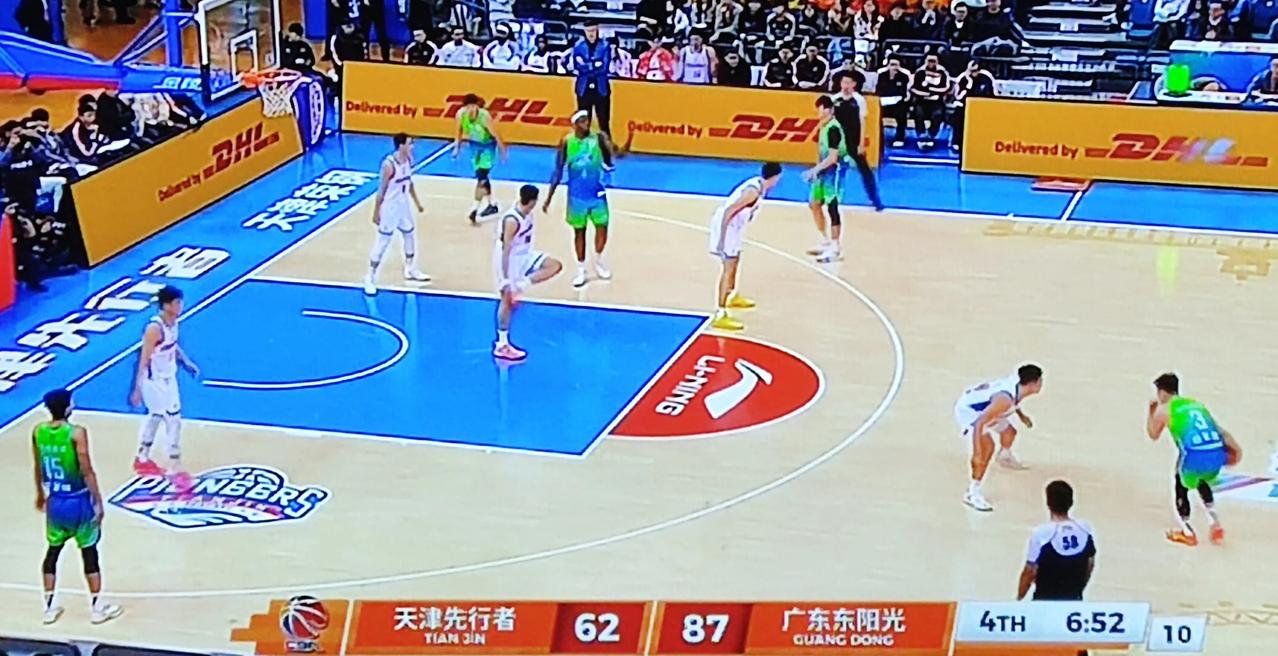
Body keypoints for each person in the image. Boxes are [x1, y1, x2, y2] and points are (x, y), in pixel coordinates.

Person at [32, 389, 123, 625]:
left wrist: (40, 495)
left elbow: (38, 466)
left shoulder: (39, 431)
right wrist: (98, 501)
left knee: (53, 551)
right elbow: (86, 469)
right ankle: (97, 608)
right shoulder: (76, 433)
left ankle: (49, 608)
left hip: (56, 501)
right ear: (67, 407)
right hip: (78, 499)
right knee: (89, 552)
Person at [1146, 373, 1241, 547]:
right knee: (1201, 480)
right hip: (1217, 451)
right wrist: (1235, 448)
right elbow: (1219, 429)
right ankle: (1215, 522)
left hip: (1195, 454)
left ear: (1162, 392)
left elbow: (1153, 434)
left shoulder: (1164, 409)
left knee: (1180, 484)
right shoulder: (1196, 405)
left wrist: (1151, 412)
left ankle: (1187, 532)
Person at [129, 286, 199, 489]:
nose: (181, 306)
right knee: (169, 418)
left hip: (169, 377)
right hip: (154, 380)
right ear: (166, 305)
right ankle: (174, 466)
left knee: (161, 416)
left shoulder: (174, 322)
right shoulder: (154, 328)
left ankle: (142, 457)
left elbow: (172, 345)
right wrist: (137, 389)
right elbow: (143, 359)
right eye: (177, 302)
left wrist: (186, 361)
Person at [953, 364, 1044, 512]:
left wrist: (1022, 416)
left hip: (987, 409)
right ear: (1033, 383)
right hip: (970, 413)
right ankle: (972, 493)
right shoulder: (1003, 400)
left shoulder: (1017, 386)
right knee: (987, 449)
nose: (1042, 383)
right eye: (1040, 380)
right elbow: (980, 423)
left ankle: (1004, 457)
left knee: (1009, 432)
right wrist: (977, 451)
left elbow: (1014, 402)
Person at [545, 110, 620, 288]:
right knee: (579, 232)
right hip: (576, 196)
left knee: (602, 227)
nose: (586, 123)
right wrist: (549, 197)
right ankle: (581, 269)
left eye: (587, 120)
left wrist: (625, 144)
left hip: (597, 193)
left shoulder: (598, 138)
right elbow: (558, 170)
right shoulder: (567, 142)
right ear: (574, 124)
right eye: (582, 121)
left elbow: (614, 154)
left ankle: (599, 261)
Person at [708, 163, 783, 331]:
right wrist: (721, 240)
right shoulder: (752, 192)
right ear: (775, 177)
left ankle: (732, 295)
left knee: (735, 260)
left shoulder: (761, 186)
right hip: (727, 227)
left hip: (735, 228)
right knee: (728, 268)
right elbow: (729, 211)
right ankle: (720, 313)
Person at [493, 185, 564, 361]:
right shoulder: (512, 220)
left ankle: (521, 285)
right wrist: (505, 279)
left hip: (525, 255)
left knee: (554, 265)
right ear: (533, 201)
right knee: (506, 300)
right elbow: (506, 250)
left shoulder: (527, 213)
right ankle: (502, 344)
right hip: (510, 260)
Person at [364, 133, 431, 295]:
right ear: (401, 146)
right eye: (410, 143)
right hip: (390, 207)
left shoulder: (408, 160)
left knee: (409, 234)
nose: (412, 146)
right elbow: (381, 190)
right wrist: (376, 212)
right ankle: (370, 277)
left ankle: (410, 269)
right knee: (383, 241)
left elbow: (409, 182)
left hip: (403, 205)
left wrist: (417, 203)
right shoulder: (389, 165)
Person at [1017, 480, 1096, 601]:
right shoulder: (1085, 529)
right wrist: (1079, 589)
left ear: (1048, 503)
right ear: (1071, 502)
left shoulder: (1042, 534)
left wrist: (1019, 598)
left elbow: (1030, 571)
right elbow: (1090, 564)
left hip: (1044, 599)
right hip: (1073, 597)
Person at [801, 96, 852, 263]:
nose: (820, 112)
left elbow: (832, 157)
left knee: (832, 207)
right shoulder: (824, 127)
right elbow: (822, 152)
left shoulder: (833, 129)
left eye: (822, 109)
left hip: (834, 171)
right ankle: (825, 240)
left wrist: (813, 170)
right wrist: (817, 170)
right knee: (814, 203)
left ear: (830, 110)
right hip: (824, 171)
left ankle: (836, 248)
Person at [831, 71, 884, 212]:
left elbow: (862, 122)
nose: (845, 85)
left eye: (848, 83)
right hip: (837, 140)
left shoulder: (859, 100)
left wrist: (861, 144)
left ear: (854, 84)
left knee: (865, 171)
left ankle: (875, 199)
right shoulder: (834, 99)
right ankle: (829, 197)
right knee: (831, 170)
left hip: (853, 139)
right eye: (843, 82)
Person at [452, 94, 507, 223]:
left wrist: (502, 151)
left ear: (477, 106)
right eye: (468, 107)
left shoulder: (484, 117)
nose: (471, 109)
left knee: (481, 176)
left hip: (488, 146)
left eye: (473, 106)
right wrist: (457, 148)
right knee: (481, 176)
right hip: (474, 146)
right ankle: (492, 204)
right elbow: (459, 132)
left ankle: (474, 209)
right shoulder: (460, 115)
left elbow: (496, 135)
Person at [573, 21, 613, 137]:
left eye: (593, 31)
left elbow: (604, 67)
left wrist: (587, 65)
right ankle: (583, 145)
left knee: (604, 122)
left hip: (601, 88)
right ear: (584, 32)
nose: (591, 34)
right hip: (584, 88)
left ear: (597, 31)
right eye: (588, 31)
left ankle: (606, 146)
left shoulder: (605, 46)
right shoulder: (578, 46)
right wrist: (594, 64)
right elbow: (577, 66)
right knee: (583, 122)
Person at [950, 59, 995, 151]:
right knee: (958, 116)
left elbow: (993, 94)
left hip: (982, 106)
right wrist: (969, 85)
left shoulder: (987, 77)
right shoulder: (962, 78)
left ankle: (984, 142)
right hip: (964, 106)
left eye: (975, 71)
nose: (972, 73)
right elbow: (958, 97)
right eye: (970, 71)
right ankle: (956, 142)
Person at [911, 53, 951, 150]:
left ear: (937, 62)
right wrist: (924, 94)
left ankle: (931, 135)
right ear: (925, 61)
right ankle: (921, 135)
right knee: (918, 114)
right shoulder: (919, 72)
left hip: (937, 102)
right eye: (929, 61)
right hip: (921, 101)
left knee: (937, 115)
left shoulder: (943, 72)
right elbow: (913, 88)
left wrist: (932, 91)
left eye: (933, 61)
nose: (931, 63)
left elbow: (946, 88)